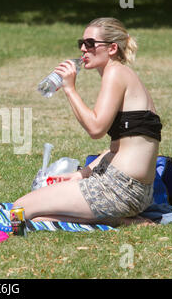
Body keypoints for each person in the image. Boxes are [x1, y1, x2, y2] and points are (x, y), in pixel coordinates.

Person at [13, 17, 162, 226]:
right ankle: (119, 220)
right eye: (81, 43)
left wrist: (69, 88)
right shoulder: (122, 75)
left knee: (18, 210)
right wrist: (82, 174)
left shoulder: (116, 73)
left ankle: (120, 221)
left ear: (111, 48)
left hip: (119, 189)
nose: (83, 49)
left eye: (90, 44)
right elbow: (119, 147)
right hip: (136, 191)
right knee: (33, 214)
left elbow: (95, 128)